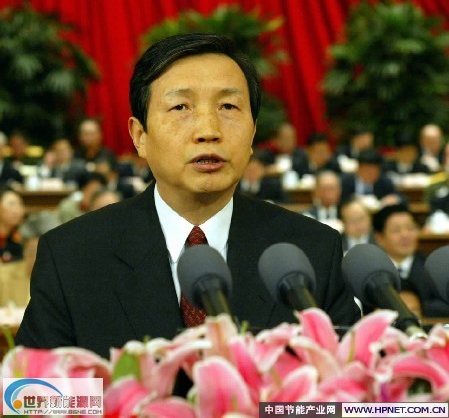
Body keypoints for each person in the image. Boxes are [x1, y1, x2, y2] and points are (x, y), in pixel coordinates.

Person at [16, 33, 359, 358]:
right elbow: (31, 391)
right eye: (181, 107)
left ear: (253, 132)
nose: (208, 131)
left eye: (228, 106)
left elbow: (346, 388)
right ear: (139, 136)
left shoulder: (311, 251)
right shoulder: (72, 256)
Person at [372, 203, 449, 318]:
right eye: (396, 230)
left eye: (410, 228)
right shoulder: (370, 273)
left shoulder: (435, 269)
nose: (405, 235)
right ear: (379, 238)